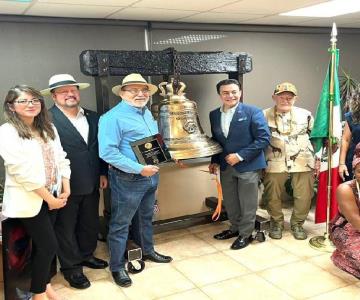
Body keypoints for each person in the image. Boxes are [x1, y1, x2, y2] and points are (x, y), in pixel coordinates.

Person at [98, 73, 172, 288]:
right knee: (121, 224)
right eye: (133, 90)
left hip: (151, 176)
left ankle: (147, 251)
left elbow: (150, 143)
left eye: (144, 90)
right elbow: (107, 152)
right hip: (128, 179)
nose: (140, 94)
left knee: (146, 218)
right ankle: (117, 267)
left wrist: (163, 155)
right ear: (122, 93)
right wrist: (140, 169)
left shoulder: (147, 113)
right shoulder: (112, 118)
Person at [0, 85, 71, 300]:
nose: (31, 104)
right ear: (11, 106)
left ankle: (44, 285)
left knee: (43, 249)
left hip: (54, 195)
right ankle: (39, 293)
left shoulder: (48, 127)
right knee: (49, 246)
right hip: (30, 199)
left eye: (34, 100)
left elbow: (61, 157)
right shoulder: (7, 131)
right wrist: (50, 199)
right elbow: (20, 170)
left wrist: (66, 187)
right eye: (23, 101)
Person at [41, 74, 108, 289]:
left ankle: (87, 254)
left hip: (92, 179)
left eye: (73, 90)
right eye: (63, 91)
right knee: (65, 227)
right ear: (53, 96)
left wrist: (102, 172)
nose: (70, 94)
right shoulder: (46, 120)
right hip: (63, 184)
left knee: (89, 221)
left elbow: (98, 148)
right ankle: (71, 268)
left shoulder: (93, 116)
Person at [209, 78, 270, 250]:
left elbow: (263, 139)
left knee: (247, 203)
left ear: (240, 92)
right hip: (226, 166)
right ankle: (234, 228)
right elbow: (216, 141)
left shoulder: (253, 112)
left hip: (248, 166)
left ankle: (246, 234)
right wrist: (214, 161)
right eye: (226, 93)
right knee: (231, 202)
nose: (230, 95)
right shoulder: (214, 114)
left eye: (234, 92)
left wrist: (240, 156)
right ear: (220, 95)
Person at [263, 82, 315, 240]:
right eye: (281, 97)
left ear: (295, 99)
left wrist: (318, 158)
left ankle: (297, 223)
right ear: (274, 97)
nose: (285, 100)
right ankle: (276, 222)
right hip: (274, 160)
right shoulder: (263, 115)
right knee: (272, 194)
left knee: (304, 195)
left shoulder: (305, 114)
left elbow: (315, 138)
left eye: (289, 97)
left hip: (302, 159)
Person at [331, 142, 360, 279]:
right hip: (348, 228)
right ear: (354, 170)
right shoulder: (345, 189)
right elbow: (357, 222)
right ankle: (341, 256)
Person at [339, 86, 360, 181]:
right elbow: (346, 139)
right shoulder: (352, 116)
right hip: (355, 162)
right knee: (353, 192)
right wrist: (342, 163)